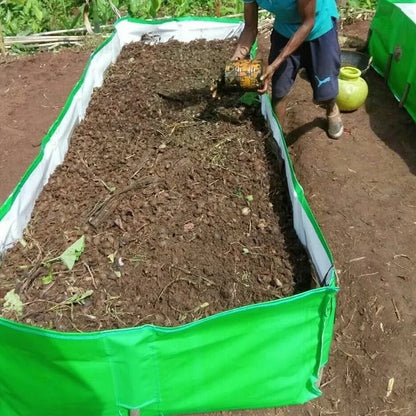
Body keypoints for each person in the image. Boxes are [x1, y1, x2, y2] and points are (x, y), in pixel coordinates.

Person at [232, 0, 343, 139]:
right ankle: (276, 137)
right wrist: (235, 62)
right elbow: (250, 28)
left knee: (325, 91)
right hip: (285, 29)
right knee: (279, 90)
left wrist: (275, 64)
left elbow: (308, 23)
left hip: (318, 26)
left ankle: (331, 108)